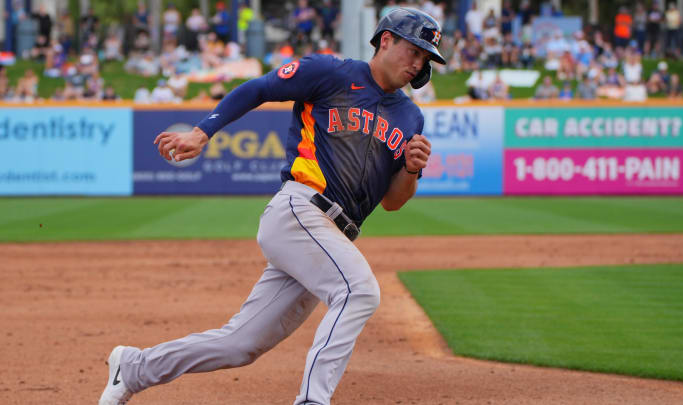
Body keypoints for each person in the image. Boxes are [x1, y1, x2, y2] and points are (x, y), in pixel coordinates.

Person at [99, 7, 442, 405]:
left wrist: (412, 171)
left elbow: (393, 201)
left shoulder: (409, 116)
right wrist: (202, 131)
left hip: (331, 236)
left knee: (239, 344)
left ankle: (135, 367)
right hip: (300, 210)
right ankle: (312, 400)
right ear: (386, 40)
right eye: (413, 50)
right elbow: (258, 88)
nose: (418, 63)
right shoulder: (332, 73)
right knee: (359, 291)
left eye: (425, 58)